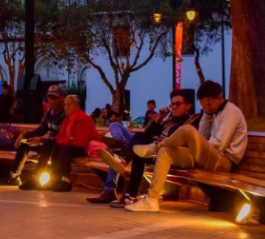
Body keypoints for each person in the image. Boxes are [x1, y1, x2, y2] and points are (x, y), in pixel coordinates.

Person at [126, 80, 247, 213]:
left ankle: (155, 147)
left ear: (220, 97)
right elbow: (203, 135)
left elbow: (219, 144)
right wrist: (206, 115)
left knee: (188, 130)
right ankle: (151, 200)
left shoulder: (231, 112)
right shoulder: (213, 112)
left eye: (209, 104)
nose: (208, 108)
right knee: (166, 151)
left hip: (224, 161)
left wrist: (195, 143)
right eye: (204, 106)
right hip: (209, 156)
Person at [91, 90, 197, 205]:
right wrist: (159, 118)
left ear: (188, 106)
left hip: (163, 153)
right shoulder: (169, 120)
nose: (174, 107)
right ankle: (122, 149)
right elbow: (148, 132)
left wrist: (156, 138)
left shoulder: (189, 122)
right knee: (115, 125)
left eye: (178, 104)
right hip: (149, 147)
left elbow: (173, 140)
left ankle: (123, 163)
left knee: (134, 150)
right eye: (173, 104)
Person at [7, 85, 66, 188]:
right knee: (25, 143)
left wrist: (42, 139)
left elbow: (63, 137)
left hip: (59, 145)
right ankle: (14, 175)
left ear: (62, 98)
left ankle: (36, 178)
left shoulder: (65, 114)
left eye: (55, 98)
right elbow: (41, 129)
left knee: (47, 145)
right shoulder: (49, 113)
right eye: (50, 98)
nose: (53, 101)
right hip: (48, 141)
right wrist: (24, 135)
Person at [44, 94, 98, 191]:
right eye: (65, 105)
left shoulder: (84, 119)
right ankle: (54, 179)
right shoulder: (67, 119)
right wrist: (68, 140)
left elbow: (81, 142)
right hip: (72, 146)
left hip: (86, 149)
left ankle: (66, 180)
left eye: (69, 105)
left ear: (77, 106)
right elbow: (59, 138)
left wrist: (66, 141)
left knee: (64, 149)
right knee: (56, 147)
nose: (66, 107)